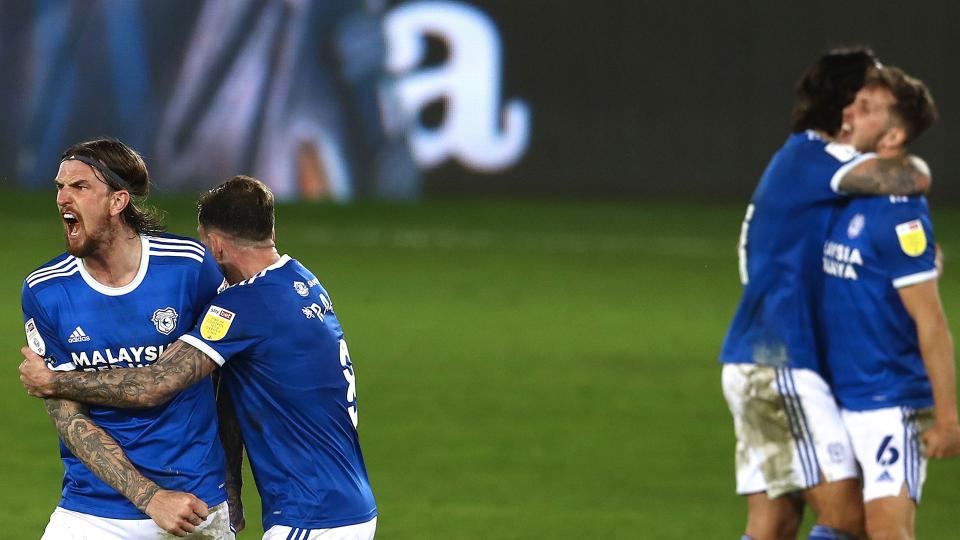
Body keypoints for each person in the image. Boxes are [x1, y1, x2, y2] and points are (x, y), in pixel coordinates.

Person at [21, 175, 379, 539]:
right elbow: (233, 389)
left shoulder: (245, 304)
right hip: (345, 497)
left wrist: (52, 381)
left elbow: (154, 385)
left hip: (315, 513)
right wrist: (232, 482)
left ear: (216, 245)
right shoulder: (299, 279)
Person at [718, 48, 934, 540]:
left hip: (755, 359)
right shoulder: (823, 158)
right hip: (781, 362)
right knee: (848, 519)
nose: (865, 104)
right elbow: (909, 178)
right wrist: (907, 152)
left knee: (774, 523)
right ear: (844, 105)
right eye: (864, 95)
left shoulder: (798, 157)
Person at [20, 139, 233, 538]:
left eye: (79, 186)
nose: (62, 198)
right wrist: (150, 498)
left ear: (118, 201)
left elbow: (231, 375)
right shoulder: (45, 290)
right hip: (92, 509)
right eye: (60, 187)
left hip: (191, 504)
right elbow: (68, 416)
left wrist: (229, 482)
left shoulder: (188, 266)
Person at [820, 66, 960, 540]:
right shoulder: (849, 192)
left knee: (887, 533)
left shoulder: (899, 214)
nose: (850, 113)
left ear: (893, 135)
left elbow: (931, 320)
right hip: (838, 396)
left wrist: (947, 418)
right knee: (839, 526)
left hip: (889, 403)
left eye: (866, 108)